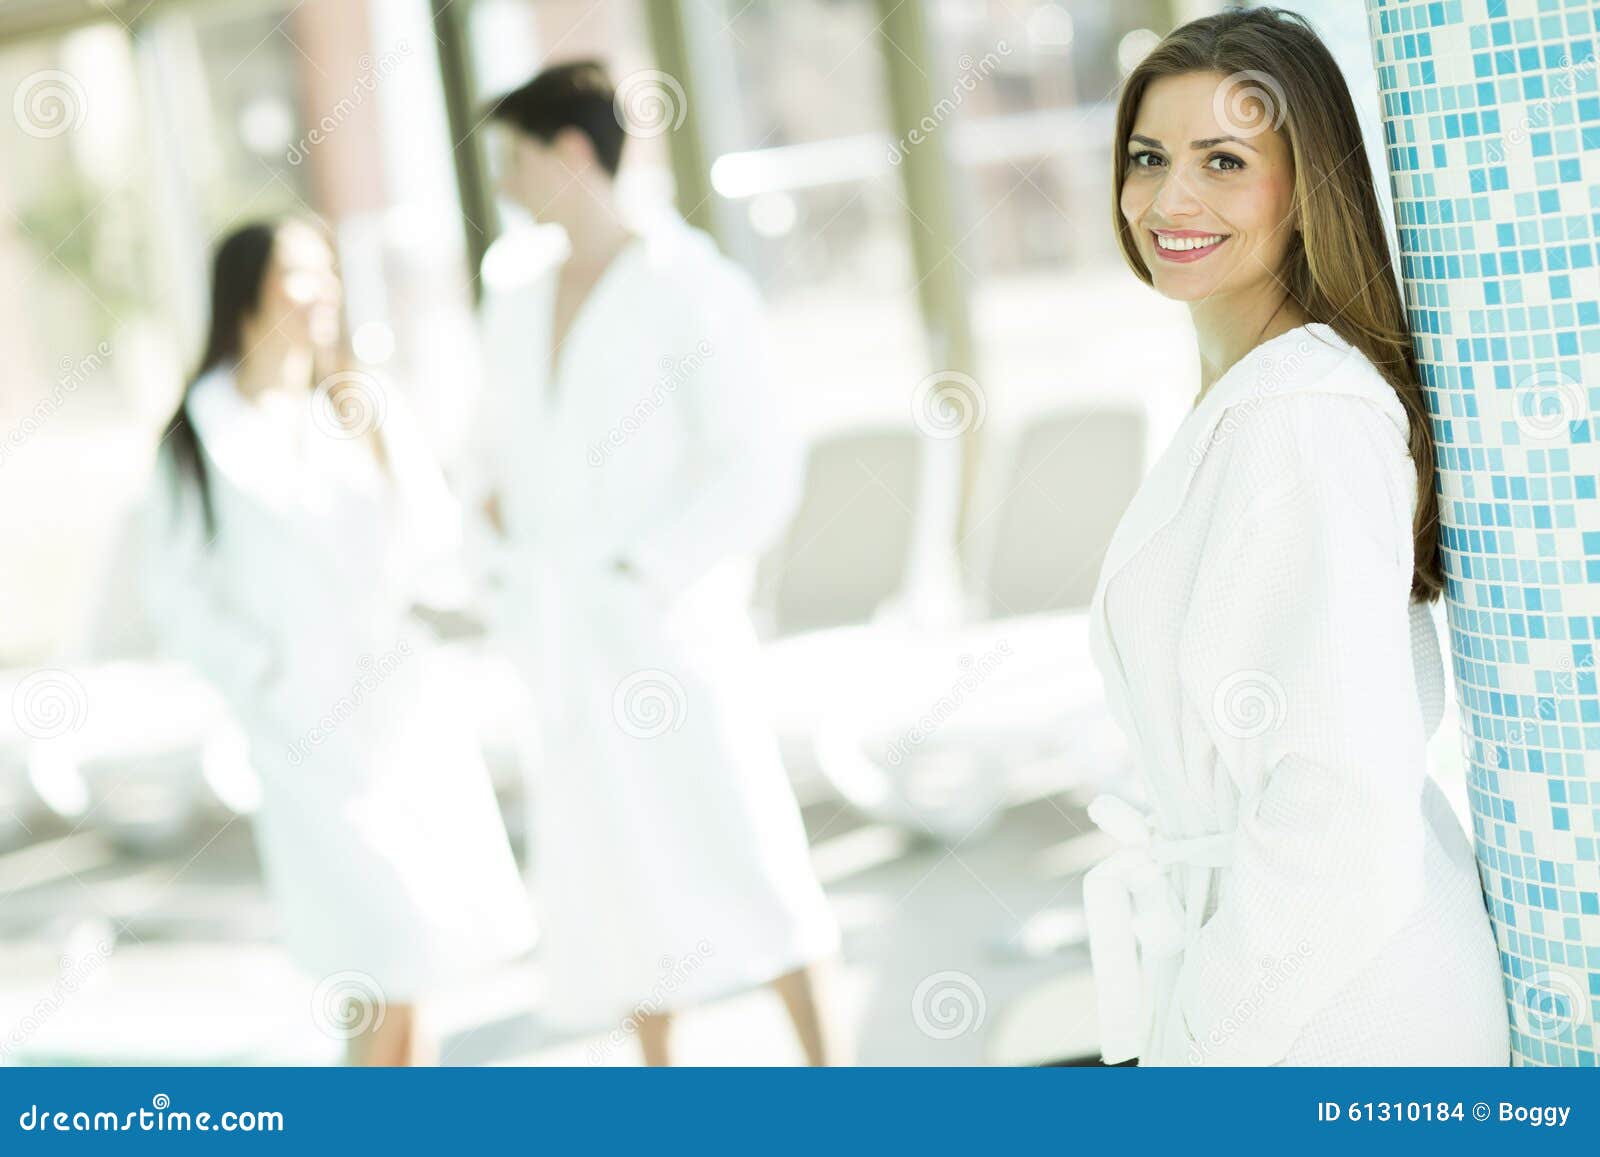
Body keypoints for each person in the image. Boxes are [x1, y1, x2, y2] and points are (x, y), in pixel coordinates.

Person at [1080, 8, 1508, 1065]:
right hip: (1296, 984)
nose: (1168, 200)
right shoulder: (1253, 398)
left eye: (1223, 161)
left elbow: (1341, 807)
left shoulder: (1298, 417)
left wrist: (1205, 1041)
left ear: (1306, 184)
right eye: (1148, 157)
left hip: (1338, 1017)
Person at [469, 61, 840, 1065]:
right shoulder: (514, 295)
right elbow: (496, 450)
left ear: (571, 153)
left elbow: (757, 465)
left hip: (668, 632)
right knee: (617, 879)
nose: (503, 182)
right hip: (561, 636)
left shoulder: (693, 287)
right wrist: (490, 527)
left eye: (514, 158)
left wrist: (645, 572)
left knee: (747, 853)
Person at [137, 218, 535, 1065]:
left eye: (327, 273)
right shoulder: (196, 438)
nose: (322, 292)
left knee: (411, 954)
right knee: (385, 936)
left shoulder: (359, 405)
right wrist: (265, 676)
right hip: (303, 729)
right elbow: (175, 596)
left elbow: (435, 552)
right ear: (245, 291)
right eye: (298, 273)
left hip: (400, 716)